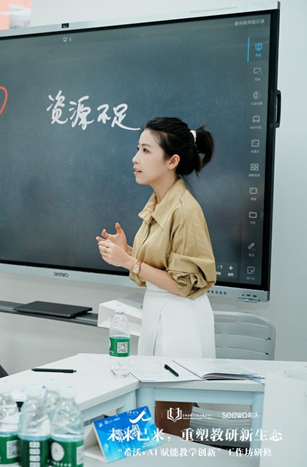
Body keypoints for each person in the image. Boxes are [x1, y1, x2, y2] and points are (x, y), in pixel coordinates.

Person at [96, 117, 216, 435]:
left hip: (181, 320)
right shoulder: (159, 202)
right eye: (138, 149)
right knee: (152, 415)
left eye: (146, 150)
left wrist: (129, 262)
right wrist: (128, 251)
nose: (135, 158)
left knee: (169, 423)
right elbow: (161, 264)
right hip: (161, 313)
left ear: (172, 161)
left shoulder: (185, 210)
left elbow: (184, 283)